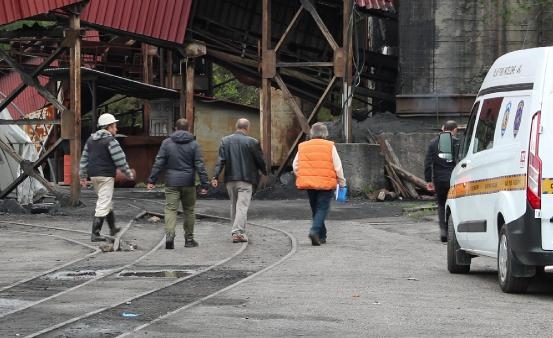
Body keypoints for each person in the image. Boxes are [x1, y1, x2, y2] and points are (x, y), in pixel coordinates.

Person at [147, 118, 209, 249]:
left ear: (175, 128)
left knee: (170, 209)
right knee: (189, 210)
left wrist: (152, 180)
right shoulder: (194, 144)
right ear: (189, 129)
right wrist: (204, 184)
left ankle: (170, 236)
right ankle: (189, 240)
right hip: (188, 182)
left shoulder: (166, 143)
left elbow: (159, 163)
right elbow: (200, 165)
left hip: (171, 182)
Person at [79, 113, 135, 242]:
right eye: (115, 126)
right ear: (109, 127)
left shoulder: (90, 140)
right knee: (103, 203)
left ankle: (113, 228)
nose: (116, 129)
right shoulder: (111, 141)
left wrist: (82, 175)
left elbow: (84, 159)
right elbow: (120, 159)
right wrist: (128, 173)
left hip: (93, 175)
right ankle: (95, 234)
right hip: (106, 176)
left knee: (106, 201)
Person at [211, 118, 267, 243]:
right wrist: (264, 171)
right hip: (246, 179)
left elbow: (221, 161)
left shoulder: (225, 141)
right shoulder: (252, 142)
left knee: (234, 205)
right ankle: (237, 232)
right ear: (247, 128)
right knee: (242, 206)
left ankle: (236, 230)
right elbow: (260, 160)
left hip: (230, 179)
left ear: (237, 126)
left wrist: (215, 176)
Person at [293, 122, 346, 246]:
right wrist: (342, 182)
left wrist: (303, 175)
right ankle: (314, 231)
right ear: (325, 133)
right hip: (325, 183)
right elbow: (338, 166)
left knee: (315, 209)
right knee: (322, 208)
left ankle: (322, 236)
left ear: (312, 133)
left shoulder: (303, 146)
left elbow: (295, 165)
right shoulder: (330, 146)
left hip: (309, 183)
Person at [424, 120, 459, 242]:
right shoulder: (457, 142)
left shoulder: (433, 143)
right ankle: (453, 231)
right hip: (453, 179)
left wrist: (428, 180)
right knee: (455, 204)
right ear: (454, 130)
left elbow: (428, 163)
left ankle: (443, 231)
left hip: (438, 179)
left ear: (444, 129)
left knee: (441, 204)